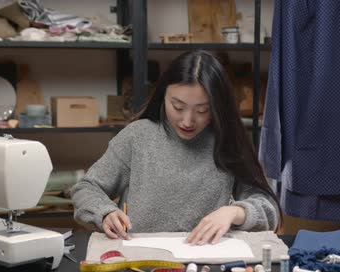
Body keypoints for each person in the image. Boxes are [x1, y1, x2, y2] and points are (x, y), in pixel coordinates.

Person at [71, 50, 280, 245]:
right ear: (163, 95)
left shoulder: (227, 141)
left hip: (203, 264)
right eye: (177, 107)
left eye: (202, 110)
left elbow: (268, 209)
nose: (187, 121)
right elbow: (86, 188)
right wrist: (105, 212)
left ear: (217, 107)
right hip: (141, 258)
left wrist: (234, 212)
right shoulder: (138, 136)